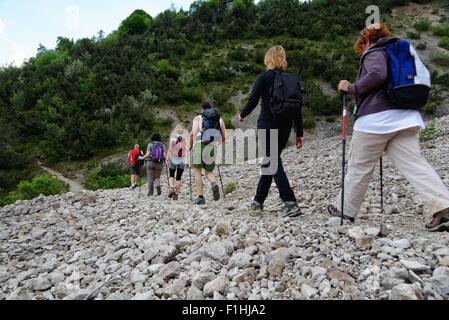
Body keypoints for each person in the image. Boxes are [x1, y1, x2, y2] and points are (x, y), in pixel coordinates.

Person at [328, 23, 449, 232]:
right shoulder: (398, 51)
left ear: (365, 41)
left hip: (376, 121)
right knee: (415, 165)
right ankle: (444, 209)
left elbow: (376, 74)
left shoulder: (374, 52)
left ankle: (344, 210)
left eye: (361, 45)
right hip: (407, 118)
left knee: (360, 166)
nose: (361, 49)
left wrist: (351, 87)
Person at [238, 45, 304, 218]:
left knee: (272, 161)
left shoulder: (265, 77)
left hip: (267, 124)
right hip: (285, 127)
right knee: (270, 161)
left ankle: (290, 202)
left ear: (269, 59)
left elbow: (253, 100)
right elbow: (298, 108)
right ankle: (258, 202)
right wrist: (299, 133)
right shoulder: (292, 79)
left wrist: (242, 114)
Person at [189, 101, 227, 205]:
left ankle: (201, 198)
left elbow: (193, 134)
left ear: (202, 109)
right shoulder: (219, 119)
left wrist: (190, 146)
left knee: (197, 171)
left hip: (199, 145)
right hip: (212, 146)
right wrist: (217, 145)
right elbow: (225, 136)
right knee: (209, 171)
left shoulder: (198, 118)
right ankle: (214, 183)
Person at [167, 124, 190, 200]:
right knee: (178, 178)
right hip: (182, 160)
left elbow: (170, 149)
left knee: (171, 175)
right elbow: (187, 151)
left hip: (173, 159)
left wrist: (167, 159)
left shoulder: (173, 138)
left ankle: (172, 188)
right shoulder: (186, 139)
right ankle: (176, 194)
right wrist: (188, 161)